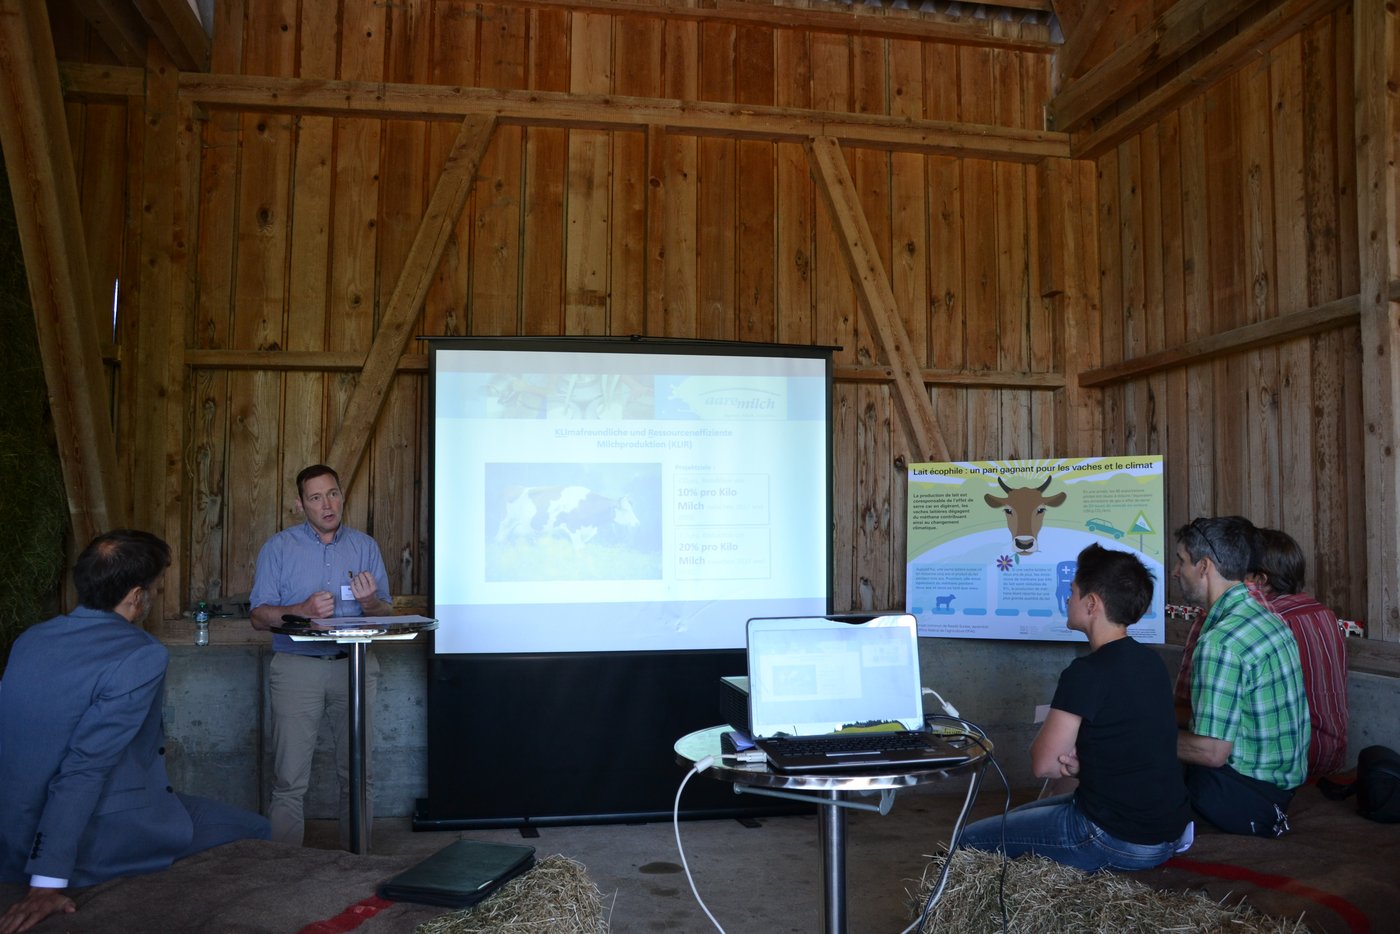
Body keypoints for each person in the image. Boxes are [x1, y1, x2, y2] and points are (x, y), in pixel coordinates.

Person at [0, 530, 270, 934]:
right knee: (258, 828)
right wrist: (47, 881)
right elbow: (85, 767)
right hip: (96, 836)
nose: (155, 597)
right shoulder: (140, 653)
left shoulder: (31, 639)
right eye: (156, 588)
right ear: (135, 595)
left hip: (14, 833)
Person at [958, 544, 1191, 871]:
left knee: (965, 840)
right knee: (1018, 817)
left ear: (1092, 603)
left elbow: (1045, 763)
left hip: (1114, 838)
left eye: (1073, 592)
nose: (1068, 600)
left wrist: (1072, 755)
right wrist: (1086, 761)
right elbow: (1130, 747)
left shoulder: (1087, 673)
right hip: (1166, 834)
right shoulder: (1150, 662)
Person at [250, 464, 393, 848]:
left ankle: (356, 866)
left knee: (359, 774)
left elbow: (386, 614)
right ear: (301, 505)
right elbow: (258, 617)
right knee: (289, 778)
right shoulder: (278, 548)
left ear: (342, 495)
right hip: (298, 669)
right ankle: (283, 870)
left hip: (356, 667)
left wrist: (371, 603)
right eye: (315, 497)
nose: (326, 504)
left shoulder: (365, 547)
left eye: (332, 494)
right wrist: (302, 609)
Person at [1172, 516, 1309, 837]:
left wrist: (1135, 739)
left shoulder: (1222, 642)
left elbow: (1211, 752)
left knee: (1130, 763)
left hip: (1246, 795)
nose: (1176, 571)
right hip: (1278, 789)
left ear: (1204, 567)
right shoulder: (1264, 615)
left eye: (1181, 561)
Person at [1246, 528, 1348, 778]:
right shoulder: (1325, 614)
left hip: (1296, 758)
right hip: (1334, 751)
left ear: (1260, 580)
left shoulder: (1269, 622)